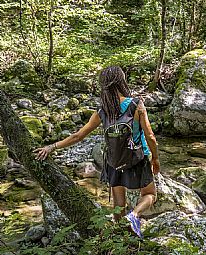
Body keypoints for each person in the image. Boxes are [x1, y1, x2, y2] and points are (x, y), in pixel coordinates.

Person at [33, 66, 160, 238]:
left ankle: (119, 238)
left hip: (114, 162)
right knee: (150, 194)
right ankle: (135, 215)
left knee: (118, 206)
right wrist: (155, 159)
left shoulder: (103, 111)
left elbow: (78, 136)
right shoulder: (136, 105)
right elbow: (150, 136)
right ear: (122, 82)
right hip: (137, 158)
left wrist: (51, 147)